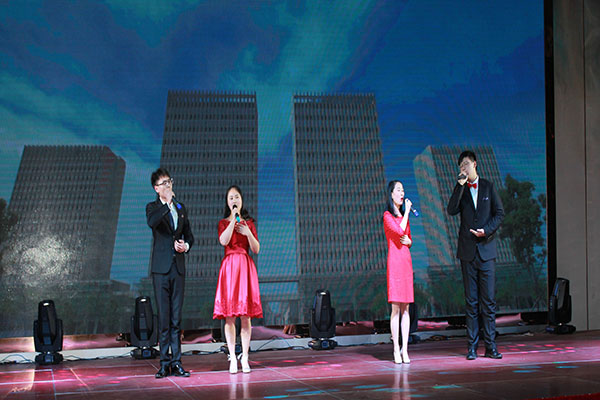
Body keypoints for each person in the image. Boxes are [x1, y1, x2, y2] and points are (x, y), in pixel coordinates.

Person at [447, 150, 505, 360]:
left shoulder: (488, 186)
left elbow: (499, 213)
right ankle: (471, 347)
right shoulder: (461, 189)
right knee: (471, 302)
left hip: (486, 251)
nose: (464, 168)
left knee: (488, 302)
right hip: (468, 252)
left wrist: (486, 231)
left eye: (467, 164)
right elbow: (451, 210)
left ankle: (491, 346)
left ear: (475, 164)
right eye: (461, 165)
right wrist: (459, 185)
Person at [146, 168, 194, 378]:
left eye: (169, 182)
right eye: (163, 183)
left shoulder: (180, 207)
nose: (168, 186)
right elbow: (152, 223)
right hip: (161, 270)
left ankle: (177, 362)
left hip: (178, 268)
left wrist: (186, 246)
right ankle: (164, 363)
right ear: (156, 188)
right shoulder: (153, 208)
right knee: (164, 318)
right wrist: (166, 204)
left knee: (176, 319)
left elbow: (189, 235)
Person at [213, 185, 262, 374]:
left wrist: (247, 232)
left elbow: (256, 249)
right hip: (229, 268)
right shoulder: (223, 222)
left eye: (237, 197)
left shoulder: (249, 223)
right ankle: (233, 357)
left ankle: (245, 357)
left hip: (245, 267)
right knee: (230, 315)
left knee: (245, 315)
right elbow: (224, 241)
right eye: (231, 198)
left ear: (242, 200)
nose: (234, 200)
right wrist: (233, 219)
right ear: (227, 202)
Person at [383, 180, 414, 364]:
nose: (402, 194)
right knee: (395, 308)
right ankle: (396, 348)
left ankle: (405, 349)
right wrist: (407, 212)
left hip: (406, 261)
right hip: (395, 262)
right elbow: (399, 231)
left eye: (403, 190)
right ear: (391, 194)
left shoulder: (404, 216)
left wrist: (410, 242)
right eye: (399, 190)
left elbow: (407, 237)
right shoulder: (387, 216)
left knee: (406, 308)